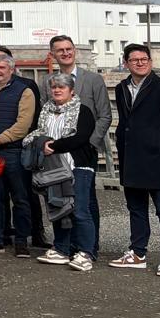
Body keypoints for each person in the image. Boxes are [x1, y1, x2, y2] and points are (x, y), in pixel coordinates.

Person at [109, 44, 160, 275]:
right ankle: (137, 252)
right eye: (135, 60)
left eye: (144, 59)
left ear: (150, 62)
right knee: (136, 208)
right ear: (126, 63)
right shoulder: (122, 88)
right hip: (132, 159)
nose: (140, 63)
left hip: (159, 159)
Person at [49, 34, 112, 257]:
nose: (65, 53)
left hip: (84, 150)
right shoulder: (49, 82)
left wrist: (90, 143)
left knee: (86, 200)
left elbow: (104, 115)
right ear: (53, 54)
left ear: (74, 50)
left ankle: (90, 247)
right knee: (63, 199)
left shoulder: (93, 80)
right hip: (58, 153)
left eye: (69, 49)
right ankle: (68, 246)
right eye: (60, 50)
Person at [0, 46, 40, 257]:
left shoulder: (24, 90)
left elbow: (23, 124)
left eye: (1, 67)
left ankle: (21, 241)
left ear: (11, 69)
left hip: (14, 152)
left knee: (20, 198)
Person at [32, 74, 96, 271]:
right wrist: (39, 143)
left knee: (80, 210)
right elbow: (38, 132)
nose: (57, 90)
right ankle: (61, 248)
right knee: (58, 207)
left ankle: (85, 252)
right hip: (53, 168)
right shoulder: (46, 111)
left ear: (71, 90)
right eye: (54, 87)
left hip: (78, 166)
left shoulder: (82, 111)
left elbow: (81, 137)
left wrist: (54, 145)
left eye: (62, 87)